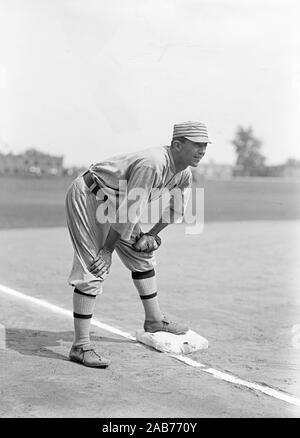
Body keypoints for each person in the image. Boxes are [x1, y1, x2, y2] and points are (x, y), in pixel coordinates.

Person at [65, 121, 211, 368]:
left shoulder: (183, 174)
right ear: (177, 145)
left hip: (116, 205)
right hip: (90, 196)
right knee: (94, 266)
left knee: (142, 256)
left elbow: (175, 210)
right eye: (196, 144)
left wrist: (151, 236)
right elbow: (130, 211)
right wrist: (108, 250)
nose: (202, 150)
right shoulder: (153, 163)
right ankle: (80, 346)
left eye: (205, 145)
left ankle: (154, 320)